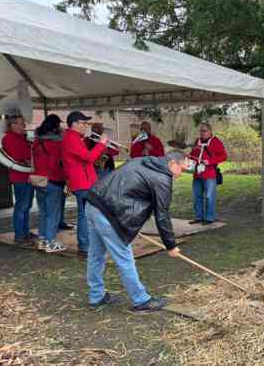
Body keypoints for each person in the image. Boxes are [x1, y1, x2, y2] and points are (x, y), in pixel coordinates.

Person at [85, 151, 189, 312]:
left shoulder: (143, 160)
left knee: (96, 254)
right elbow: (162, 215)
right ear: (172, 163)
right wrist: (170, 245)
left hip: (93, 202)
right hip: (109, 212)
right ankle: (140, 300)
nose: (182, 174)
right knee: (124, 257)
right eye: (182, 169)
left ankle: (96, 296)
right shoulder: (162, 179)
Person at [62, 111, 108, 259]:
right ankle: (84, 248)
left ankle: (88, 245)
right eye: (83, 123)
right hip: (82, 183)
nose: (86, 126)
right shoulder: (71, 138)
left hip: (85, 181)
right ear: (75, 124)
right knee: (85, 216)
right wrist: (101, 144)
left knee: (88, 215)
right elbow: (88, 158)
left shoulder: (75, 137)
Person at [32, 114, 67, 253]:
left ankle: (42, 240)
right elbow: (56, 165)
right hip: (53, 181)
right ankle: (51, 242)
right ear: (55, 127)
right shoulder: (56, 143)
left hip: (38, 180)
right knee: (53, 213)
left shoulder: (36, 142)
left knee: (44, 212)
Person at [2, 116, 35, 245]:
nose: (24, 126)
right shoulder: (9, 138)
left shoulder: (20, 137)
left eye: (23, 124)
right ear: (12, 125)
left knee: (26, 206)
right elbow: (20, 157)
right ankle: (20, 236)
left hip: (27, 175)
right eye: (21, 124)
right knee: (22, 206)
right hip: (20, 176)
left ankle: (25, 232)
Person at [188, 123, 227, 224]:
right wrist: (189, 157)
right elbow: (193, 154)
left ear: (210, 131)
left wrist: (209, 161)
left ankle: (209, 218)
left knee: (209, 197)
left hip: (209, 174)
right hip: (197, 173)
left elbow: (223, 156)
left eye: (204, 131)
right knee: (197, 196)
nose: (202, 133)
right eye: (201, 131)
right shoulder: (197, 141)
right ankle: (199, 217)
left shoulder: (215, 141)